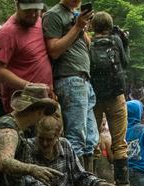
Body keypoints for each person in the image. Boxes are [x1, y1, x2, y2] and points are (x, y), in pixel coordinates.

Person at [43, 0, 99, 165]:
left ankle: (89, 180)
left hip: (84, 80)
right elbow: (53, 51)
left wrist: (82, 27)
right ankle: (75, 183)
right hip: (69, 78)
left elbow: (87, 46)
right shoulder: (53, 15)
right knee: (76, 135)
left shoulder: (75, 15)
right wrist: (76, 27)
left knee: (90, 138)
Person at [88, 11, 133, 186]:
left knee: (93, 140)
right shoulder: (116, 40)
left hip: (95, 97)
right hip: (115, 95)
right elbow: (126, 62)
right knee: (119, 141)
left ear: (93, 26)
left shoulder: (88, 41)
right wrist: (126, 43)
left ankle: (94, 182)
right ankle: (123, 184)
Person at [0, 1, 55, 113]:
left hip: (45, 99)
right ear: (17, 5)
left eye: (36, 10)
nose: (33, 14)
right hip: (21, 104)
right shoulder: (7, 32)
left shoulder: (40, 22)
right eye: (28, 10)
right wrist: (30, 87)